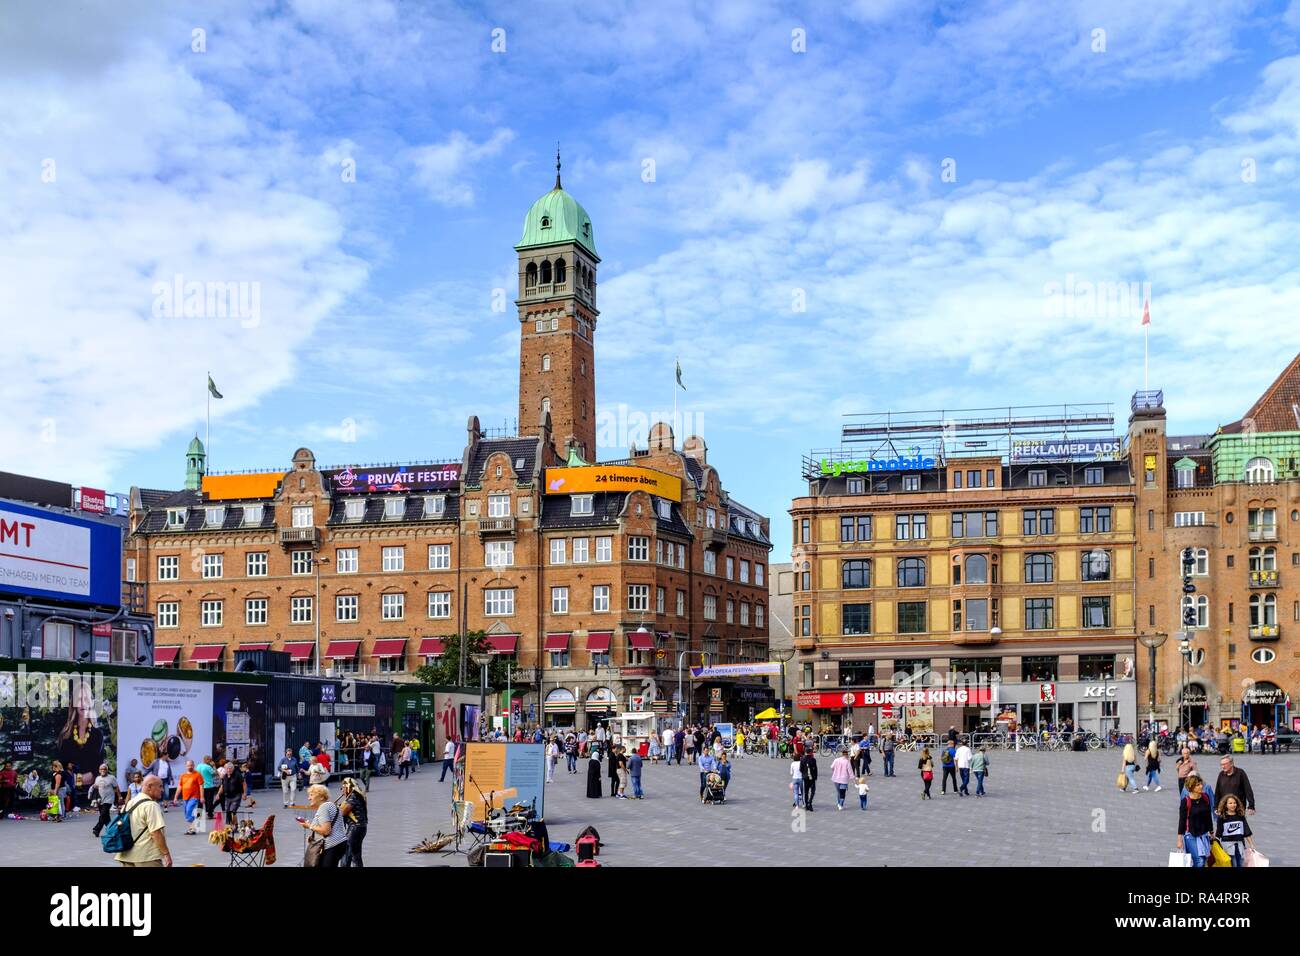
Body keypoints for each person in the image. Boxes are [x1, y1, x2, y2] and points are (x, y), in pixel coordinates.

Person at [115, 775, 172, 868]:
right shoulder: (151, 805)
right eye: (160, 786)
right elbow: (155, 833)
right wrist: (166, 854)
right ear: (149, 787)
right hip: (146, 856)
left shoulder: (130, 803)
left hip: (127, 855)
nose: (162, 790)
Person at [300, 784, 347, 867]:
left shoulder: (323, 808)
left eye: (311, 795)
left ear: (321, 797)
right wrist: (314, 836)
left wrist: (309, 826)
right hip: (339, 843)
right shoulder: (332, 805)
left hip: (331, 846)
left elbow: (326, 831)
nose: (309, 798)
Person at [1177, 775, 1215, 868]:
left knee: (1204, 859)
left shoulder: (1205, 797)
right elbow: (1182, 821)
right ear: (1191, 787)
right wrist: (1179, 840)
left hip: (1204, 834)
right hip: (1191, 835)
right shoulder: (1186, 801)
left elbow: (1208, 816)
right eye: (1197, 785)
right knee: (1199, 861)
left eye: (1201, 784)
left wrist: (1211, 831)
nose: (1201, 786)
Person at [1214, 794, 1255, 867]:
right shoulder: (1222, 817)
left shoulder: (1240, 816)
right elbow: (1218, 834)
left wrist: (1251, 844)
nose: (1233, 805)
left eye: (1234, 803)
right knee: (1233, 864)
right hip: (1227, 846)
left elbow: (1246, 831)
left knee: (1240, 863)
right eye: (1230, 803)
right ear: (1225, 805)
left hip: (1239, 845)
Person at [339, 777, 368, 867]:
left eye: (343, 788)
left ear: (348, 787)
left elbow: (342, 812)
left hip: (355, 829)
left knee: (346, 853)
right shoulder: (357, 796)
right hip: (360, 828)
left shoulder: (352, 797)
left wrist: (336, 808)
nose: (342, 790)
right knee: (356, 854)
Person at [89, 764, 120, 838]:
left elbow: (116, 787)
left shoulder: (111, 778)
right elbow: (96, 787)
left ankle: (97, 829)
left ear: (107, 770)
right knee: (106, 817)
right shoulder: (97, 778)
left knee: (103, 814)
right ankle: (112, 830)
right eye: (101, 769)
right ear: (99, 770)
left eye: (104, 769)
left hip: (109, 799)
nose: (103, 770)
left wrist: (120, 797)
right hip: (100, 800)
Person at [177, 760, 204, 835]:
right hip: (185, 797)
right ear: (186, 766)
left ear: (194, 765)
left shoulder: (197, 775)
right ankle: (191, 829)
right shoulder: (183, 775)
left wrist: (202, 797)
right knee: (187, 814)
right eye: (188, 765)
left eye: (191, 765)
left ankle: (194, 827)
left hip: (194, 797)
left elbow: (201, 786)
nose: (190, 767)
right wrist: (175, 797)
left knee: (189, 811)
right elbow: (180, 786)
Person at [199, 755, 219, 821]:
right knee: (209, 801)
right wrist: (214, 766)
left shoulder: (199, 766)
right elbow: (215, 773)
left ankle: (199, 814)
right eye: (210, 760)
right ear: (207, 760)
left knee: (200, 800)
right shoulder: (208, 767)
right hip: (209, 786)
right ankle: (209, 814)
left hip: (201, 786)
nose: (211, 761)